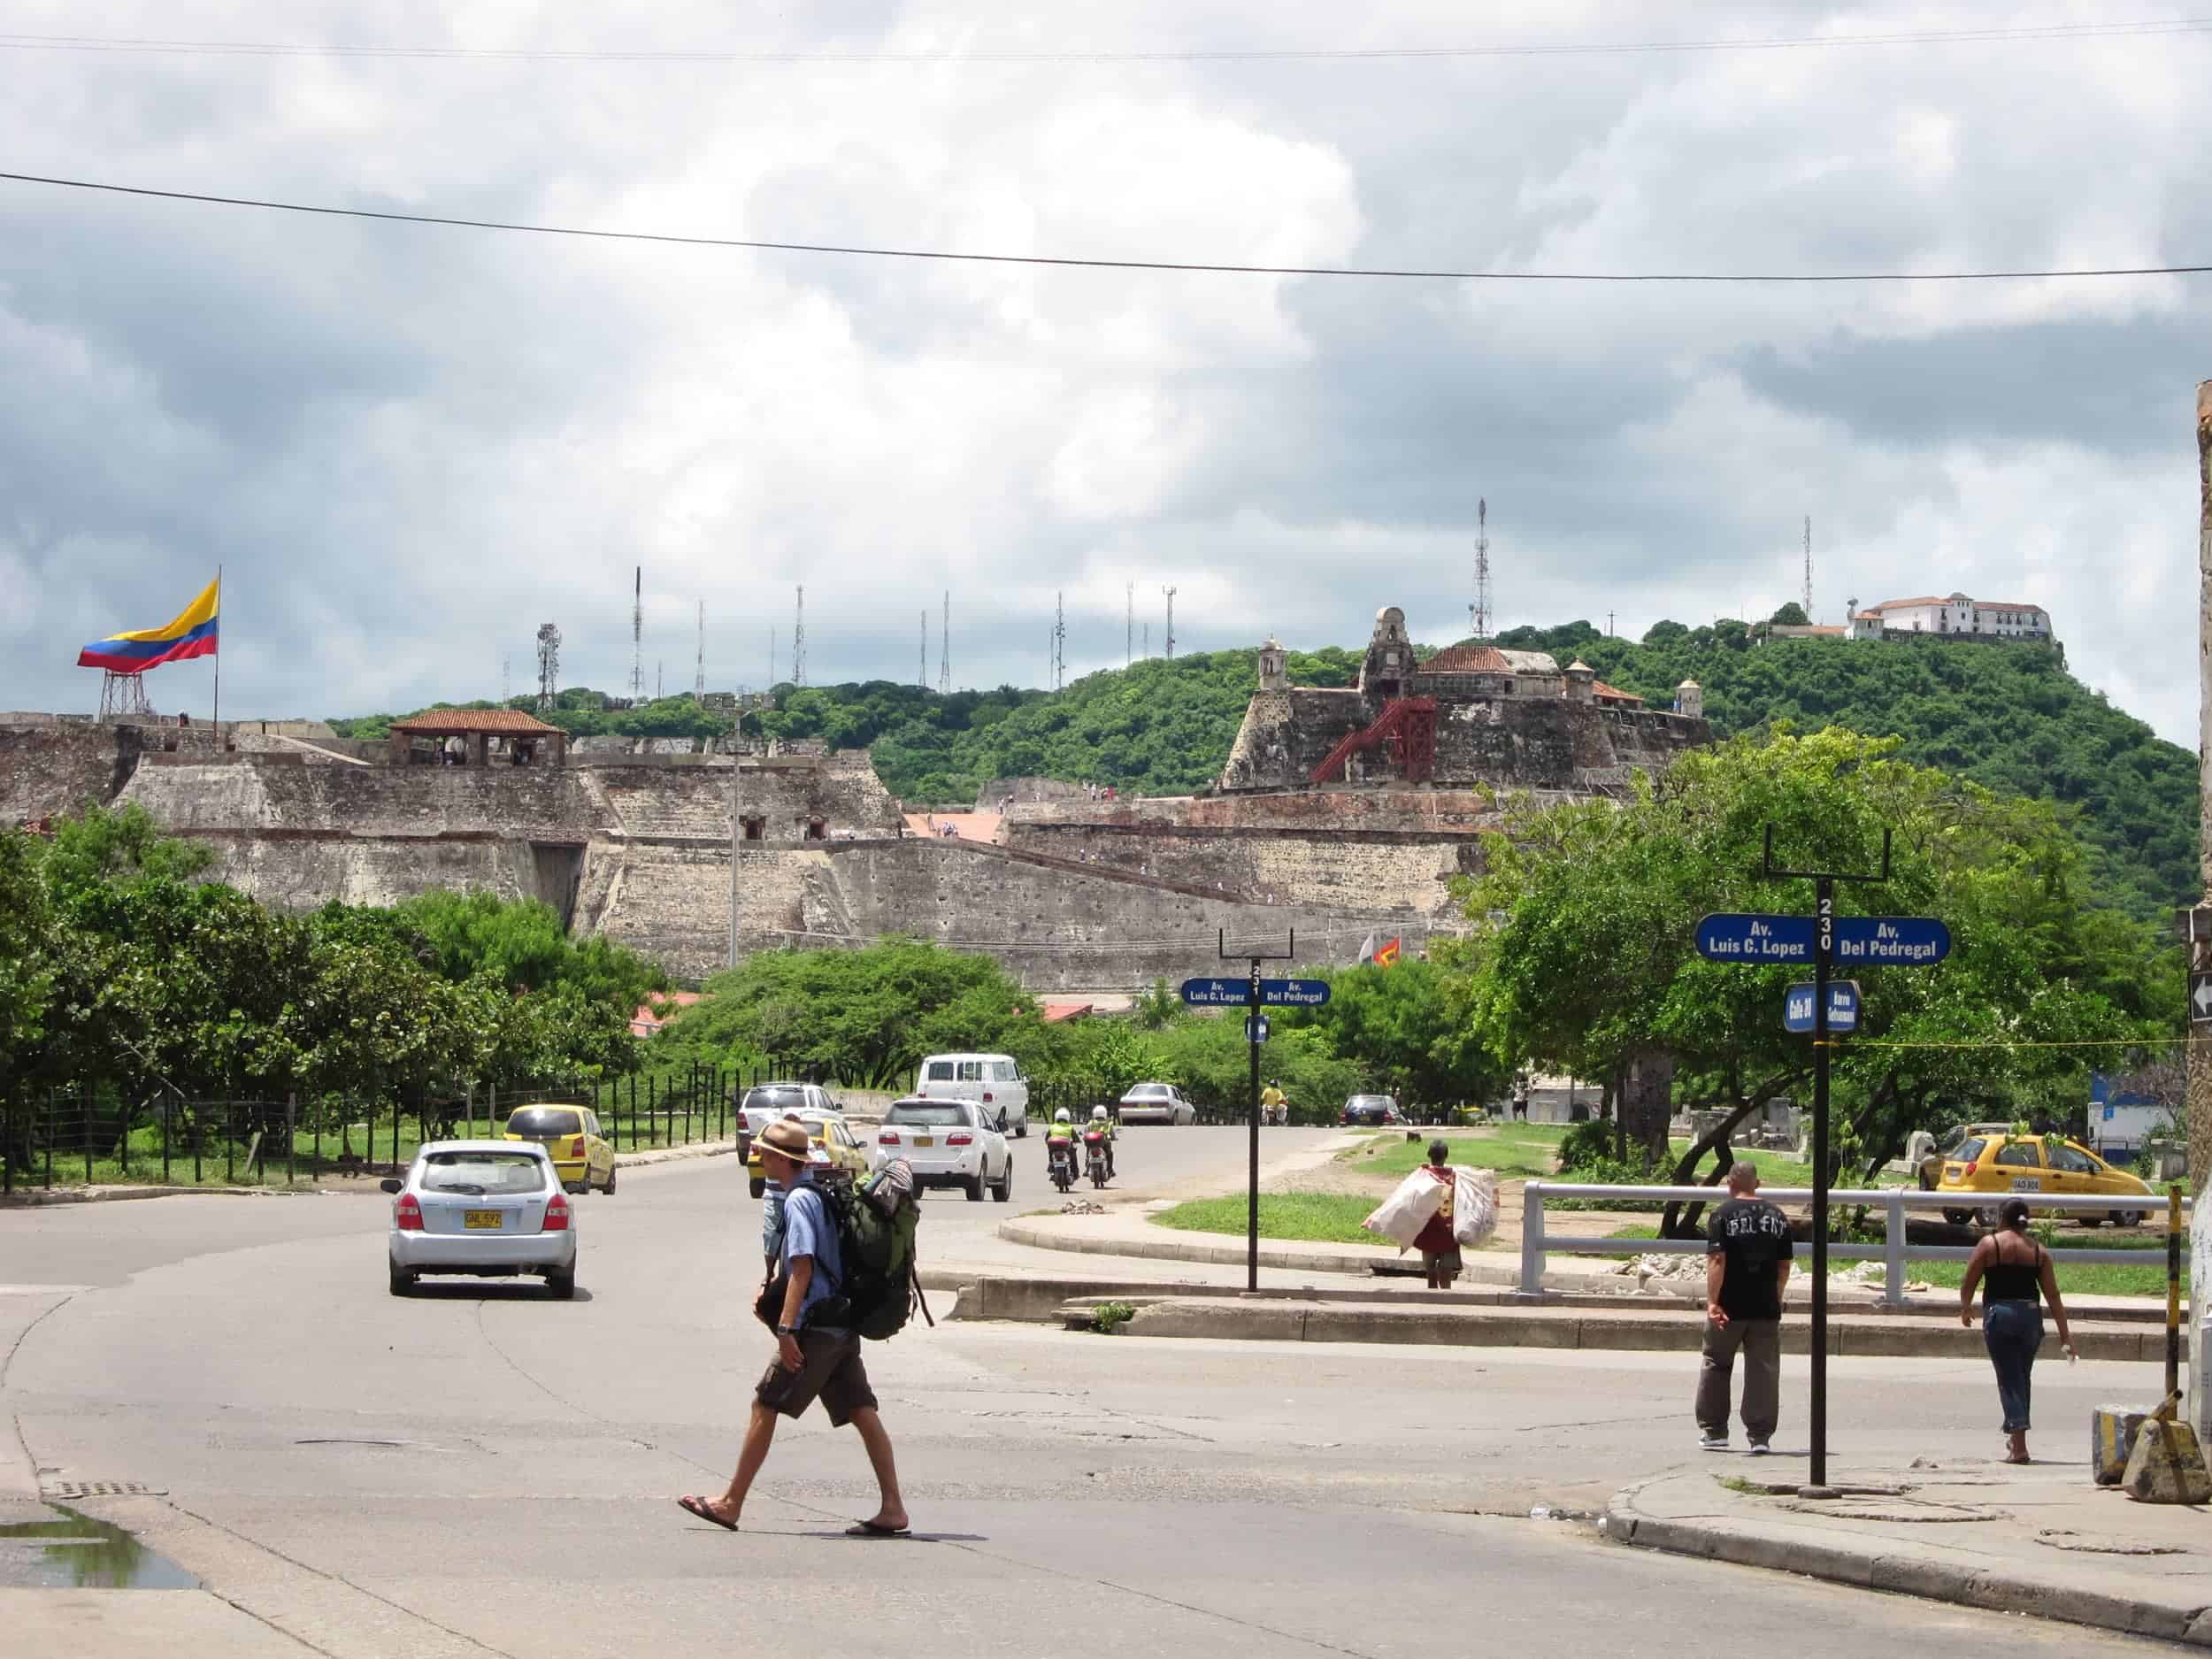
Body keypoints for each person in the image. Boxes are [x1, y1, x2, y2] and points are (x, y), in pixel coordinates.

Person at [677, 1119, 909, 1536]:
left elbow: (801, 1266)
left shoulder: (800, 1200)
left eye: (765, 1152)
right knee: (861, 1410)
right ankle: (893, 1508)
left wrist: (786, 1331)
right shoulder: (819, 1193)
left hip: (815, 1329)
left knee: (765, 1404)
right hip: (841, 1325)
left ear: (782, 1159)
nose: (760, 1157)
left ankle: (730, 1503)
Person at [1958, 1198, 2076, 1463]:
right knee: (2021, 1377)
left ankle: (2020, 1444)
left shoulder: (1990, 1245)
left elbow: (1969, 1281)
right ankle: (2014, 1439)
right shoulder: (2038, 1251)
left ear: (2002, 1218)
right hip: (2030, 1317)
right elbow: (2054, 1296)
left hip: (2001, 1316)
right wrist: (2066, 1336)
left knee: (2009, 1378)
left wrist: (1966, 1308)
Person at [1698, 1161, 1793, 1455]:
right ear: (1758, 1184)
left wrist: (1713, 1302)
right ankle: (1760, 1437)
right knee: (1763, 1371)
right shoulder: (1778, 1217)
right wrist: (1776, 1296)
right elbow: (1784, 1265)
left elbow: (1717, 1260)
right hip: (1764, 1306)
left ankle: (1715, 1432)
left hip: (1729, 1306)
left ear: (1729, 1183)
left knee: (1716, 1363)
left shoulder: (1722, 1215)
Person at [1409, 1140, 1460, 1289]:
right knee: (1446, 1275)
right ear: (1446, 1156)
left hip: (1428, 1233)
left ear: (1429, 1155)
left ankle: (1431, 1305)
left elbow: (1411, 1201)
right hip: (1448, 1234)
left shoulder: (1422, 1176)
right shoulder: (1455, 1177)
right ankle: (1445, 1304)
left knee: (1431, 1273)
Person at [1045, 1108, 1078, 1182]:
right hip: (1066, 1148)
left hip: (1054, 1148)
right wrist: (1077, 1141)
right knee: (1073, 1157)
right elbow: (1076, 1138)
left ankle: (1051, 1167)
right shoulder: (1070, 1127)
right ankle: (1075, 1173)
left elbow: (1046, 1139)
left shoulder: (1052, 1127)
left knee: (1050, 1153)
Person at [1088, 1105, 1117, 1179]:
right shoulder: (1108, 1123)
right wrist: (1114, 1138)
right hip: (1104, 1143)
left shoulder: (1091, 1123)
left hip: (1093, 1143)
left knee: (1088, 1153)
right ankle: (1110, 1169)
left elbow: (1086, 1132)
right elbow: (1112, 1134)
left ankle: (1087, 1167)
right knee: (1109, 1154)